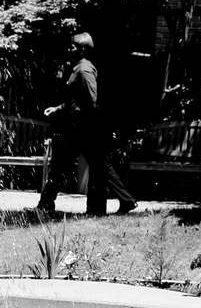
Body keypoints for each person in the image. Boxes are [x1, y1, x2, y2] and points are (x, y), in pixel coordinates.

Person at [37, 32, 137, 217]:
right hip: (81, 128)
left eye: (72, 46)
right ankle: (126, 201)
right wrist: (58, 109)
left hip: (83, 129)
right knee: (95, 166)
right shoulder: (79, 68)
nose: (69, 49)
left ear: (82, 50)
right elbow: (77, 100)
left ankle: (46, 204)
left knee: (67, 166)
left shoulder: (84, 70)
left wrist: (82, 123)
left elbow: (91, 102)